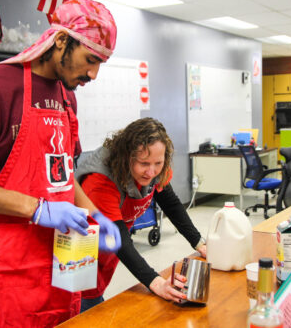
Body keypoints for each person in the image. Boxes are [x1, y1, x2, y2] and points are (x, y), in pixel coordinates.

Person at [0, 0, 122, 328]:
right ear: (61, 40)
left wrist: (94, 213)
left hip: (64, 257)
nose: (93, 74)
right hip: (9, 263)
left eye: (100, 64)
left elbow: (62, 174)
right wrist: (38, 209)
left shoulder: (67, 96)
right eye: (90, 59)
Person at [75, 117, 207, 312]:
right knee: (83, 308)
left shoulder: (154, 168)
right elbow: (118, 238)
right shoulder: (101, 180)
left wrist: (199, 243)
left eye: (158, 163)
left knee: (96, 297)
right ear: (126, 157)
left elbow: (170, 203)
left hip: (108, 253)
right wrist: (156, 282)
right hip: (80, 255)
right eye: (144, 163)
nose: (151, 172)